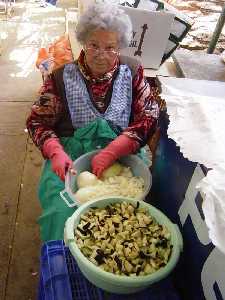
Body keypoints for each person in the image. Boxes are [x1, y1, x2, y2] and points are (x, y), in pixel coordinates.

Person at [26, 2, 161, 241]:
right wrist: (55, 151)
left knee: (125, 221)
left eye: (110, 47)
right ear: (83, 42)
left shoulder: (132, 70)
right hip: (71, 159)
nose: (101, 54)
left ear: (120, 45)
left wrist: (114, 150)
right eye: (94, 45)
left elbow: (149, 115)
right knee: (63, 215)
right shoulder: (60, 77)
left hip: (122, 155)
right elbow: (38, 122)